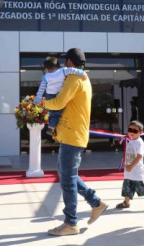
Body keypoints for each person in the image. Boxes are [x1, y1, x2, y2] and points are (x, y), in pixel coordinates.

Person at [44, 48, 108, 236]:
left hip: (72, 135)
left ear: (69, 62)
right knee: (66, 175)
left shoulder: (74, 78)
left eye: (65, 62)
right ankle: (96, 202)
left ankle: (71, 223)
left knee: (67, 180)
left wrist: (42, 102)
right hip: (72, 134)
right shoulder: (83, 78)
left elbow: (59, 102)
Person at [34, 56, 87, 137]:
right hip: (58, 95)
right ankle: (51, 128)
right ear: (58, 65)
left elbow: (41, 88)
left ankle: (51, 127)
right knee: (57, 113)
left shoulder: (46, 76)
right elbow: (72, 70)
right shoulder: (63, 71)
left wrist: (38, 98)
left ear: (47, 69)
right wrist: (82, 73)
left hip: (49, 95)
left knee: (52, 113)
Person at [116, 120, 144, 211]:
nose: (132, 132)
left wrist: (131, 166)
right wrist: (126, 164)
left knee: (141, 187)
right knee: (127, 186)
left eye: (135, 131)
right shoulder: (131, 141)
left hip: (135, 170)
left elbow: (139, 156)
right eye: (130, 130)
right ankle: (126, 202)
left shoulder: (139, 142)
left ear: (140, 132)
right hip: (129, 170)